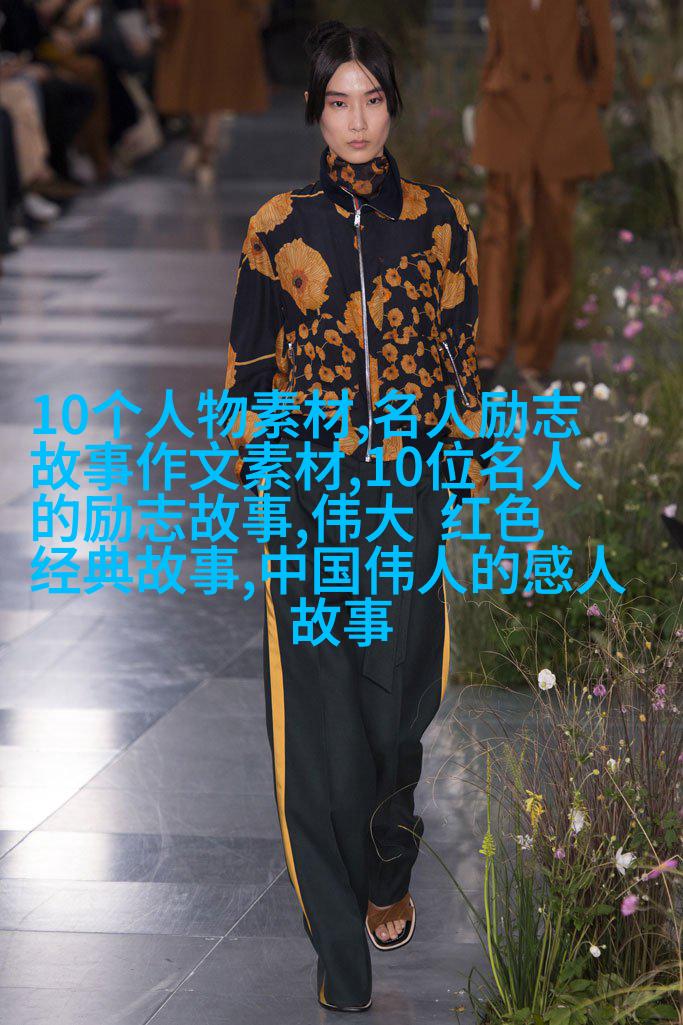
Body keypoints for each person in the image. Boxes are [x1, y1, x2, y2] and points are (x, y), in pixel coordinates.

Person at [222, 20, 490, 1013]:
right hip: (308, 494)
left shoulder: (438, 220)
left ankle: (388, 856)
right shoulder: (276, 227)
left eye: (371, 99)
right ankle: (340, 954)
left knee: (396, 707)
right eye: (338, 102)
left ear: (392, 105)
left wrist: (459, 471)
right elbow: (250, 371)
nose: (357, 120)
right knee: (316, 723)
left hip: (407, 495)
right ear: (314, 111)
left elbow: (463, 358)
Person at [470, 0, 615, 392]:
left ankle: (535, 355)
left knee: (552, 239)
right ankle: (487, 350)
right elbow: (497, 40)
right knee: (497, 234)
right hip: (507, 110)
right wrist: (488, 84)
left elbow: (602, 43)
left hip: (562, 115)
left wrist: (595, 100)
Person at [150, 0, 270, 188]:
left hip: (215, 13)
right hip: (197, 13)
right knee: (201, 76)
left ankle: (204, 148)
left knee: (210, 76)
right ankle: (201, 144)